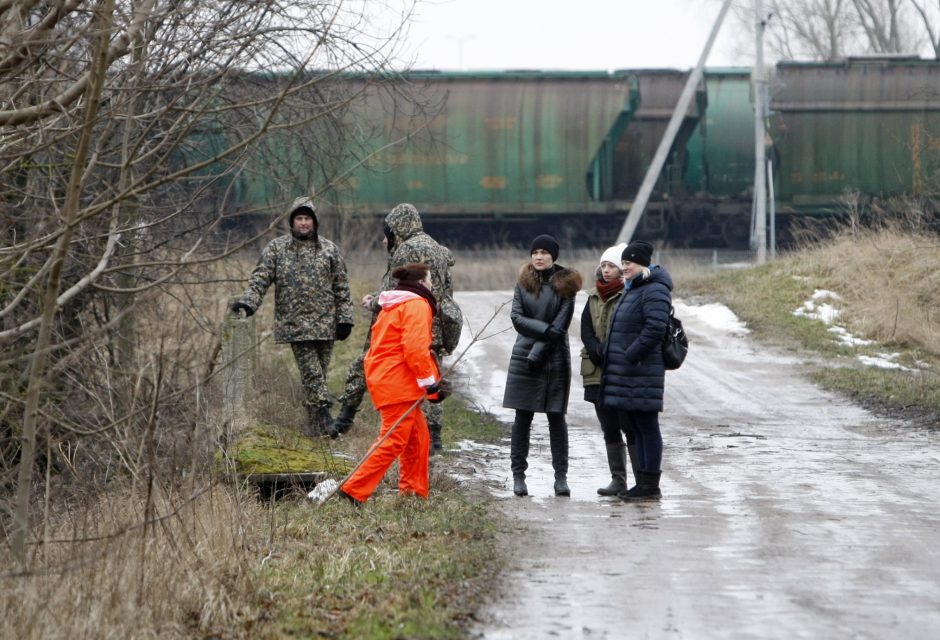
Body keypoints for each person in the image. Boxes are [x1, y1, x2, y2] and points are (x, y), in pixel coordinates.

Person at [333, 203, 456, 455]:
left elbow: (396, 292)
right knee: (431, 375)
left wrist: (374, 300)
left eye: (387, 233)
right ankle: (434, 438)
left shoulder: (405, 250)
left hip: (407, 322)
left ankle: (343, 421)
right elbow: (447, 291)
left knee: (366, 362)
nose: (383, 239)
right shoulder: (439, 249)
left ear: (398, 228)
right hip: (435, 322)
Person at [231, 196, 354, 437]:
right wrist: (249, 302)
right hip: (295, 324)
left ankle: (314, 425)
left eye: (307, 218)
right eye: (299, 218)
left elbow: (342, 287)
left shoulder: (329, 250)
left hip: (325, 324)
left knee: (318, 373)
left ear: (314, 221)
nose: (303, 223)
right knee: (312, 372)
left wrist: (345, 319)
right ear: (292, 221)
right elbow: (260, 278)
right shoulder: (277, 249)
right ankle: (325, 419)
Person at [338, 263, 448, 504]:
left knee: (418, 438)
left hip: (391, 378)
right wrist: (430, 384)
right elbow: (415, 349)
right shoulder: (417, 304)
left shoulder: (397, 303)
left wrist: (432, 389)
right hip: (396, 381)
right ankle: (352, 491)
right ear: (421, 283)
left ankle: (413, 493)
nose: (432, 285)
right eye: (429, 280)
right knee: (393, 438)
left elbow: (412, 350)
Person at [502, 234, 582, 497]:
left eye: (544, 252)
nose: (538, 256)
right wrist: (541, 338)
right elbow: (516, 317)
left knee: (556, 418)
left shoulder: (566, 285)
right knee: (522, 418)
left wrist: (540, 347)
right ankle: (518, 477)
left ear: (553, 256)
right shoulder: (523, 283)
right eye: (535, 252)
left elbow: (561, 327)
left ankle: (561, 478)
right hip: (524, 357)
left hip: (555, 358)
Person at [600, 240, 673, 501]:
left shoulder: (654, 290)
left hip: (642, 369)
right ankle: (643, 483)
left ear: (642, 263)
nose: (625, 266)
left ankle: (650, 486)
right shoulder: (635, 288)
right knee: (637, 424)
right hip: (631, 371)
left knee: (647, 425)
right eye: (624, 262)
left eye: (629, 262)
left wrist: (630, 355)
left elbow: (655, 328)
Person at [580, 243, 641, 497]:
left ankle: (640, 481)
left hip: (620, 371)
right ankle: (618, 479)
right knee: (608, 428)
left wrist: (611, 351)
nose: (606, 270)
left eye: (611, 266)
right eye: (603, 265)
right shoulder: (593, 296)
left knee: (629, 426)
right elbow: (585, 328)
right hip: (595, 371)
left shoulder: (630, 294)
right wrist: (595, 349)